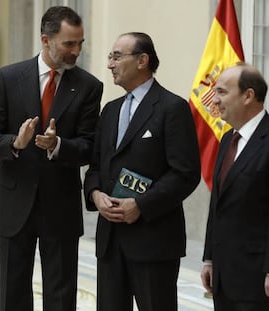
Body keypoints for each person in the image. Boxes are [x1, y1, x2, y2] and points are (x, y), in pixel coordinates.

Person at [0, 6, 103, 311]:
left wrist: (58, 145)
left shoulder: (89, 86)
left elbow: (89, 147)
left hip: (60, 206)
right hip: (13, 203)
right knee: (13, 294)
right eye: (69, 44)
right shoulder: (7, 77)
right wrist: (15, 142)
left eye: (80, 43)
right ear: (46, 40)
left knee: (61, 297)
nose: (77, 51)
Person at [83, 32, 201, 311]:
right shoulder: (110, 111)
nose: (110, 64)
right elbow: (96, 167)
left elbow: (185, 173)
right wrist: (96, 194)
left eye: (116, 56)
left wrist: (141, 205)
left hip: (154, 239)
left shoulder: (172, 108)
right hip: (111, 241)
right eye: (110, 57)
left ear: (142, 60)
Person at [201, 63, 269, 310]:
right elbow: (218, 203)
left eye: (221, 92)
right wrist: (209, 258)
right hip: (223, 276)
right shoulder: (228, 139)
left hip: (257, 279)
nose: (214, 100)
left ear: (248, 96)